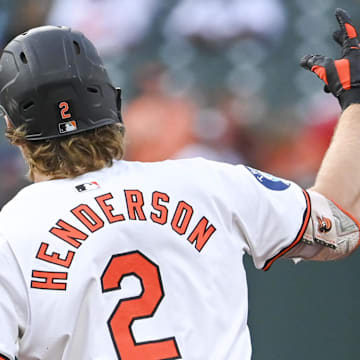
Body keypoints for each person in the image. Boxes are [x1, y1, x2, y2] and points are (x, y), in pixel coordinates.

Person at [0, 8, 359, 360]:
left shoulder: (9, 235)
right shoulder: (208, 181)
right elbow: (341, 224)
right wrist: (355, 99)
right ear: (114, 99)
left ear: (13, 131)